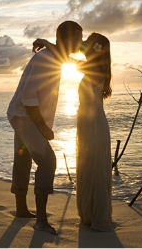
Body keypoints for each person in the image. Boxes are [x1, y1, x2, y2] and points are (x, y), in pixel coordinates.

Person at [6, 21, 83, 235]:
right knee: (48, 161)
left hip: (20, 114)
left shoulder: (54, 56)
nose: (81, 42)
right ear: (68, 40)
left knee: (23, 159)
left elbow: (68, 56)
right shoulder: (46, 59)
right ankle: (41, 221)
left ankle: (22, 210)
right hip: (25, 116)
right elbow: (28, 96)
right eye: (78, 38)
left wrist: (48, 42)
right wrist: (42, 126)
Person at [33, 32, 113, 231]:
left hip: (94, 127)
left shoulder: (94, 69)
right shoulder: (94, 69)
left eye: (87, 41)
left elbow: (64, 58)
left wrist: (44, 42)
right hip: (89, 125)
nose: (83, 42)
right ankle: (91, 215)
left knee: (94, 170)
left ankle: (98, 218)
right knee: (90, 168)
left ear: (95, 49)